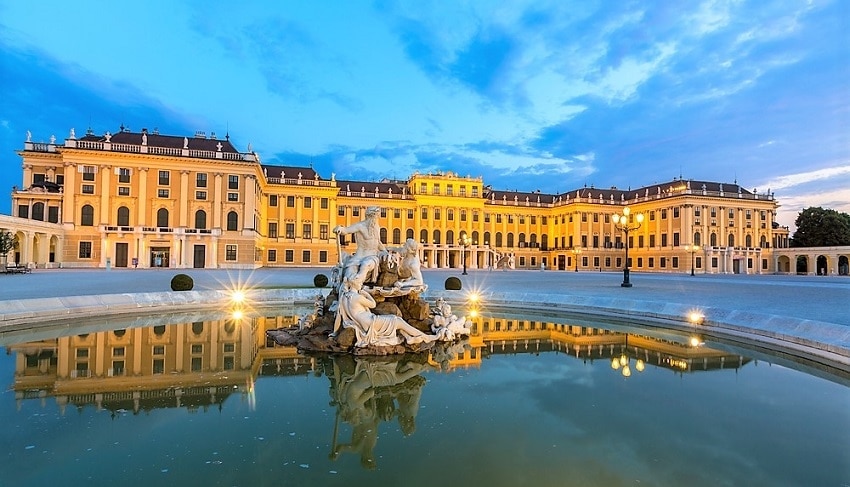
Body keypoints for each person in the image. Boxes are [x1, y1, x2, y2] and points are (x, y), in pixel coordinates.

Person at [336, 278, 436, 347]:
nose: (361, 285)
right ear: (356, 284)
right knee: (397, 320)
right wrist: (366, 294)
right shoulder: (357, 297)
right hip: (371, 323)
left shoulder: (345, 296)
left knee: (397, 322)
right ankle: (425, 337)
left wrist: (334, 332)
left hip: (366, 322)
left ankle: (409, 337)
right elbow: (373, 304)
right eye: (360, 283)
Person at [334, 206, 386, 288]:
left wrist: (385, 252)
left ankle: (357, 283)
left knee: (366, 264)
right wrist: (339, 229)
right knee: (348, 273)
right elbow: (347, 230)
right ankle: (346, 293)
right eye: (375, 216)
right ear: (369, 216)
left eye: (377, 217)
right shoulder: (360, 226)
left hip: (372, 257)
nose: (376, 219)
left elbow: (378, 242)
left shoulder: (376, 227)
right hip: (359, 257)